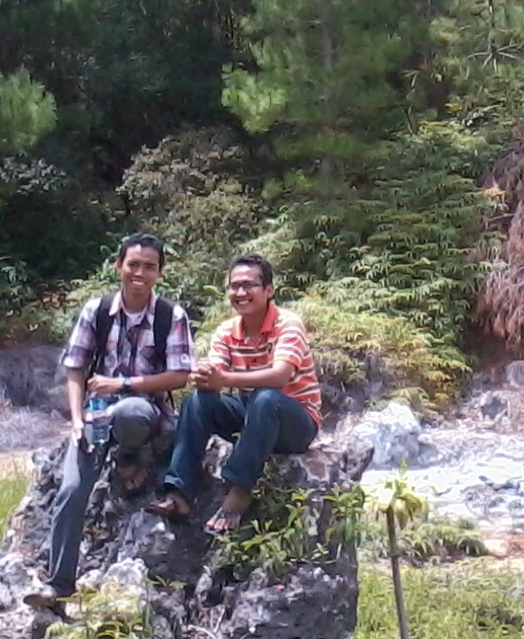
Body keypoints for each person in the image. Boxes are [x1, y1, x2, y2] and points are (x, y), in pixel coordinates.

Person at [31, 233, 193, 605]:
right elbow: (76, 368)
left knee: (129, 411)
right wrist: (76, 421)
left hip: (145, 412)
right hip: (96, 416)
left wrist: (123, 384)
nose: (140, 273)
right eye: (133, 264)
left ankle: (128, 455)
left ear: (159, 273)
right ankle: (59, 584)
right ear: (119, 266)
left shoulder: (170, 316)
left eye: (149, 266)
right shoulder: (97, 310)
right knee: (72, 489)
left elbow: (180, 375)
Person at [146, 253, 321, 533]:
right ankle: (179, 491)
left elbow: (280, 376)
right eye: (234, 286)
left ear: (268, 290)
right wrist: (204, 376)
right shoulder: (227, 331)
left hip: (295, 420)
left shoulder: (288, 324)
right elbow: (215, 372)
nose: (240, 293)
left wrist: (224, 378)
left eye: (248, 285)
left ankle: (239, 491)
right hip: (253, 414)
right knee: (198, 401)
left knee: (266, 397)